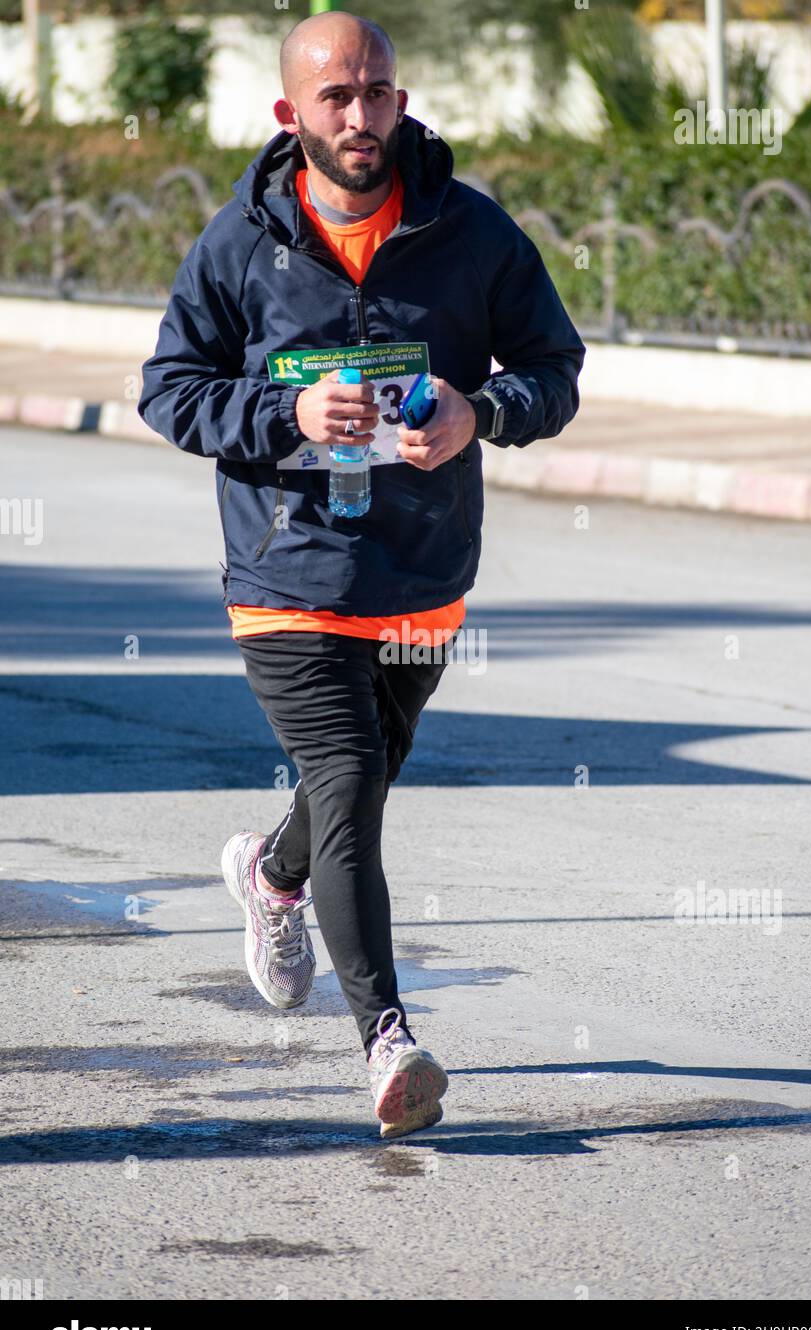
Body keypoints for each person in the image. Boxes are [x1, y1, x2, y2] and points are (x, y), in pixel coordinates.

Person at [138, 10, 585, 1139]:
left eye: (375, 91)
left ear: (398, 97)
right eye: (334, 98)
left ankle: (270, 875)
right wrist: (285, 411)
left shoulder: (468, 232)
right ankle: (387, 1037)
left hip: (418, 573)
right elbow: (169, 390)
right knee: (344, 774)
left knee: (362, 779)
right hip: (284, 570)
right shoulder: (239, 243)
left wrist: (479, 412)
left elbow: (553, 368)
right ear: (291, 114)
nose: (358, 115)